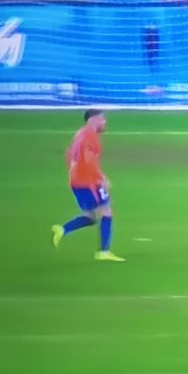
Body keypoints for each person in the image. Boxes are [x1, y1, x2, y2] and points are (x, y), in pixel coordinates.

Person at [51, 109, 125, 262]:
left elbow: (68, 155)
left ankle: (63, 229)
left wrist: (74, 172)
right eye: (102, 119)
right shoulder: (89, 136)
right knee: (106, 212)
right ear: (93, 119)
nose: (105, 122)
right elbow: (89, 160)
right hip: (89, 182)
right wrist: (101, 178)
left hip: (77, 181)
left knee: (90, 217)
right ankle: (104, 252)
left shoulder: (80, 134)